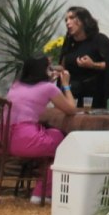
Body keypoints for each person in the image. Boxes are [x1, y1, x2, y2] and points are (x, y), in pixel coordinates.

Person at [5, 57, 79, 204]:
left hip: (5, 139)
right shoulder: (48, 88)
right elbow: (71, 109)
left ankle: (43, 189)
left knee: (55, 135)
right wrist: (65, 85)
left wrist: (48, 81)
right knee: (64, 145)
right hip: (26, 141)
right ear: (42, 70)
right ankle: (41, 192)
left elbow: (33, 95)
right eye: (49, 68)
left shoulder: (16, 85)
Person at [59, 6, 109, 109]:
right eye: (66, 20)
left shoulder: (100, 40)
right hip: (73, 95)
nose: (67, 22)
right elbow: (63, 65)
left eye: (72, 18)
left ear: (83, 20)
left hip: (96, 97)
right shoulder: (69, 43)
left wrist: (93, 65)